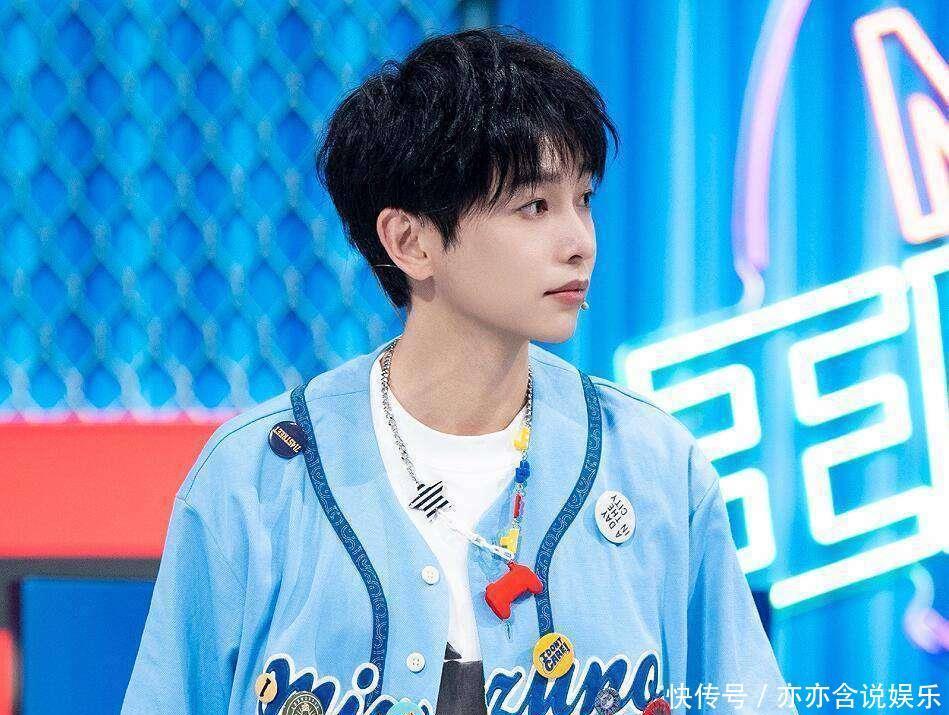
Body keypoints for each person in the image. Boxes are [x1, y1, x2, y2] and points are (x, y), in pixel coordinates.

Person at [122, 26, 795, 715]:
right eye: (535, 206)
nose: (579, 242)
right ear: (409, 241)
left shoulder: (657, 468)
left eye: (584, 199)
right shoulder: (256, 479)